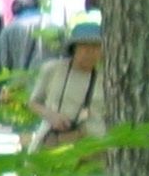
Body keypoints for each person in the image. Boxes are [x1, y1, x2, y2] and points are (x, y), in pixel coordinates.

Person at [26, 11, 100, 149]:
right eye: (84, 46)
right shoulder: (53, 69)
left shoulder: (107, 77)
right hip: (54, 141)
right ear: (74, 48)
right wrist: (52, 116)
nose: (90, 52)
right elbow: (33, 102)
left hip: (93, 146)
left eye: (95, 47)